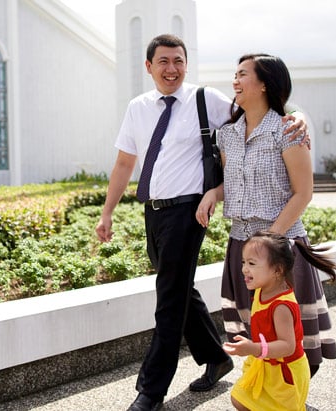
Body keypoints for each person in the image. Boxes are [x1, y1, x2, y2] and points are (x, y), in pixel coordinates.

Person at [95, 36, 309, 411]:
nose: (171, 68)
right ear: (149, 67)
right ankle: (216, 355)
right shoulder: (138, 108)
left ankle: (151, 390)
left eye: (178, 60)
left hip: (190, 210)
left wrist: (298, 115)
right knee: (177, 287)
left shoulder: (205, 100)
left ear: (186, 64)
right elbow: (126, 164)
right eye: (163, 61)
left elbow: (260, 107)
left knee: (168, 298)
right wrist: (107, 211)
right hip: (154, 210)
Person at [196, 53, 336, 379]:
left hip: (280, 246)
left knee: (293, 338)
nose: (235, 81)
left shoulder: (287, 129)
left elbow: (304, 192)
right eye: (235, 74)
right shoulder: (228, 135)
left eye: (243, 74)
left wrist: (268, 242)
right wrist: (212, 194)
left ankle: (290, 394)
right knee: (257, 332)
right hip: (241, 247)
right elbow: (234, 186)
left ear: (263, 84)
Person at [222, 230, 336, 411]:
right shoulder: (262, 289)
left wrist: (253, 348)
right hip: (267, 364)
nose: (244, 268)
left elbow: (287, 346)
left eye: (252, 263)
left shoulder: (281, 306)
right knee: (240, 399)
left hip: (284, 375)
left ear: (277, 270)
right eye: (243, 262)